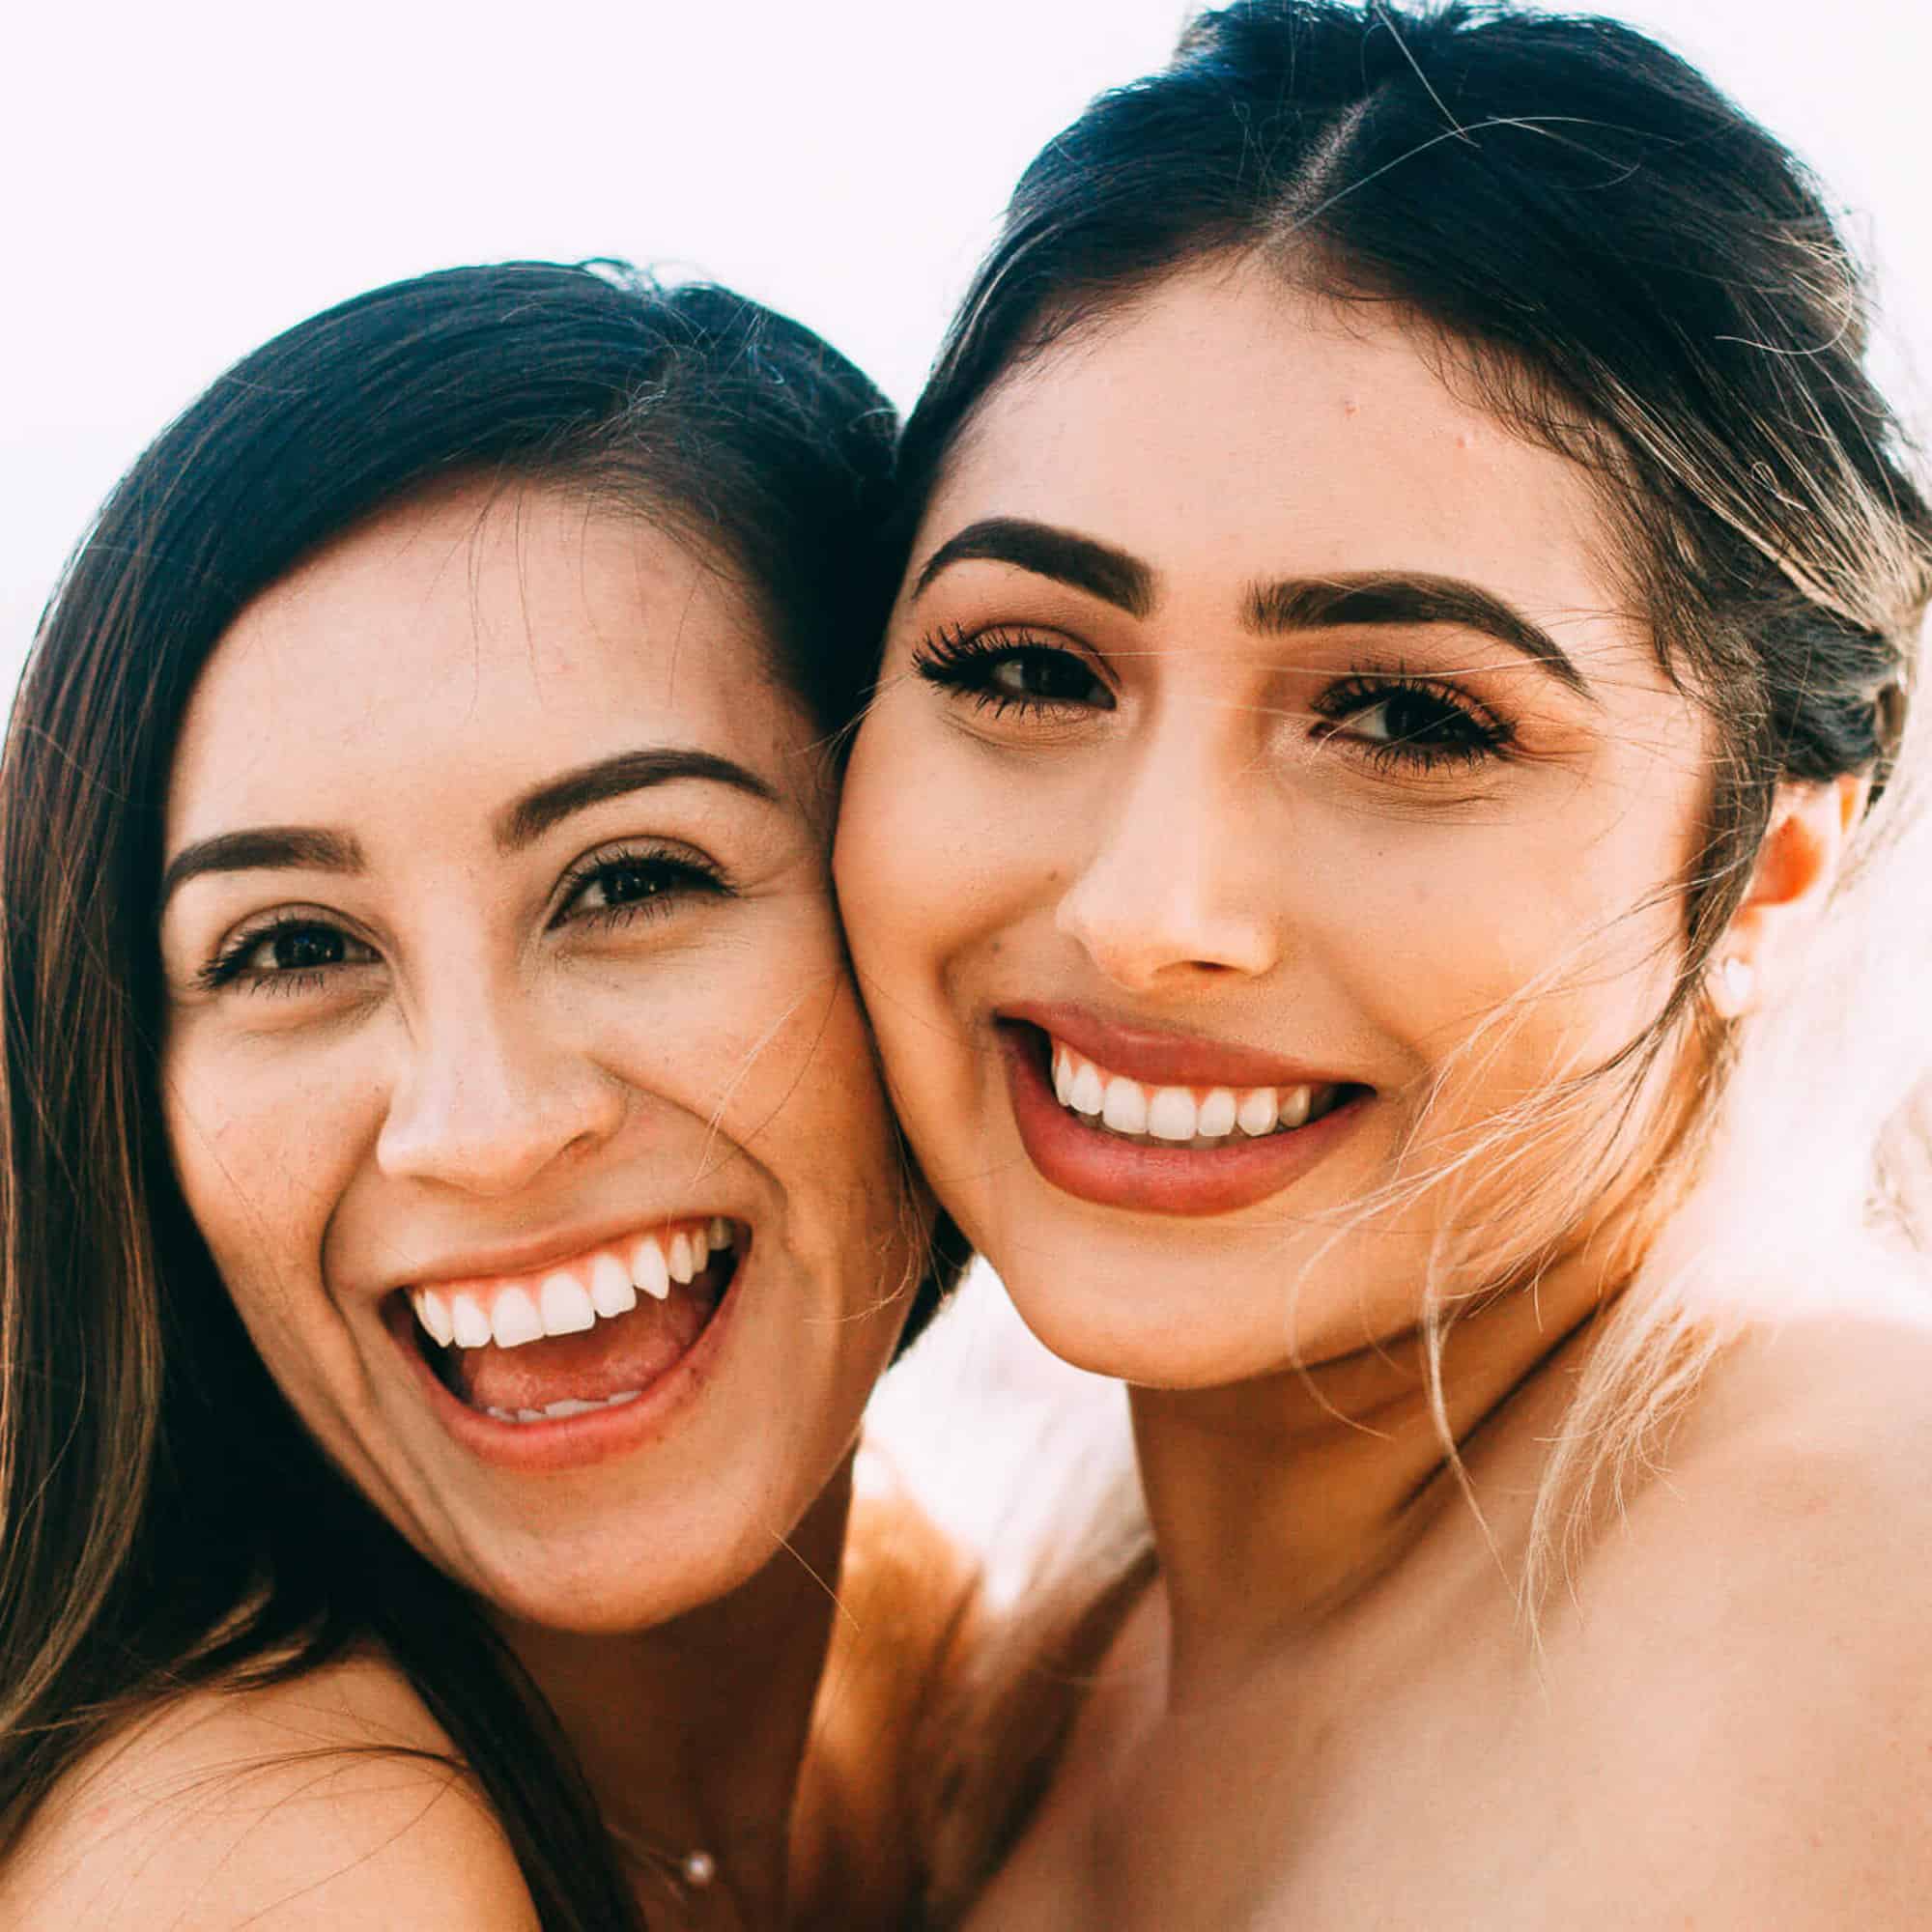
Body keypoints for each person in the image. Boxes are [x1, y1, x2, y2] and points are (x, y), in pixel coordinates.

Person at [835, 4, 1932, 1924]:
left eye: (1415, 719)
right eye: (1026, 666)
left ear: (1768, 865)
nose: (1146, 906)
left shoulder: (1864, 1570)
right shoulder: (1037, 1685)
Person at [0, 259, 967, 1931]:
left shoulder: (938, 1662)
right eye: (292, 946)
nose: (485, 1126)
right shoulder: (282, 1868)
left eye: (627, 882)